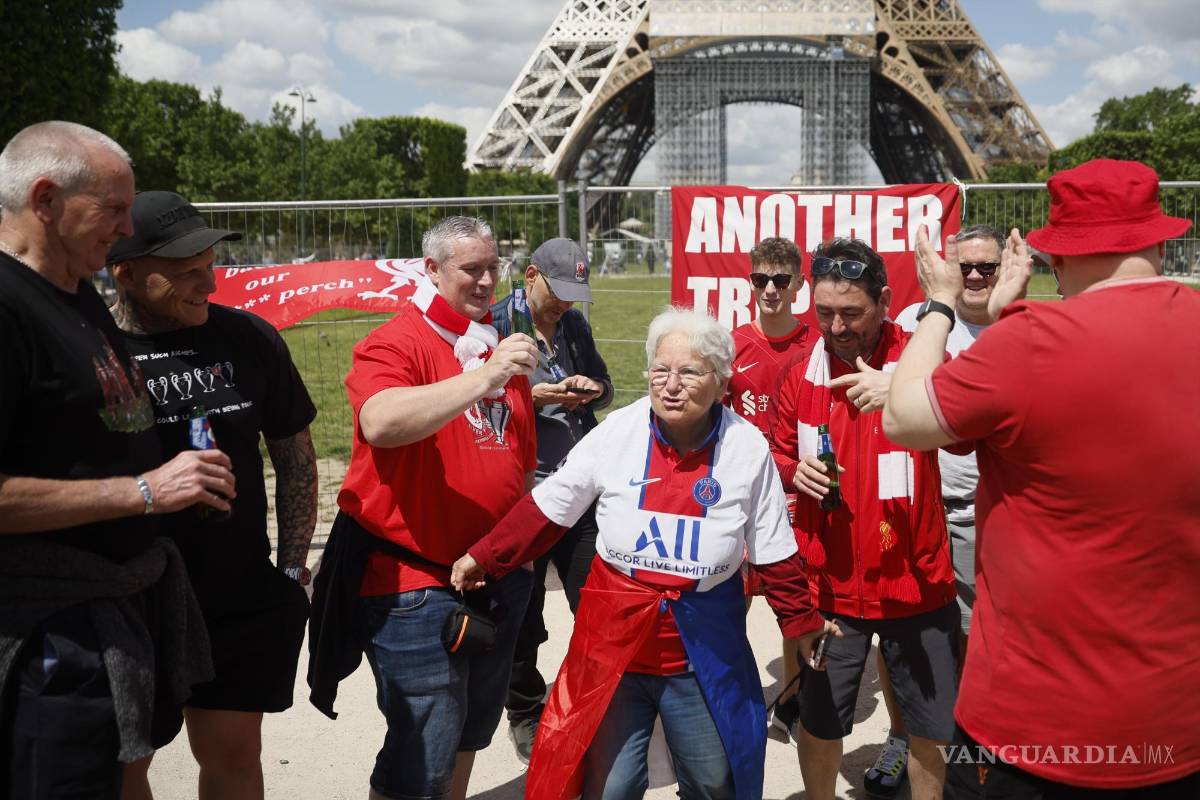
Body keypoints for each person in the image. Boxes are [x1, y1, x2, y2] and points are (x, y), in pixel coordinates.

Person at [886, 159, 1200, 797]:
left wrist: (941, 302)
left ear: (1056, 256)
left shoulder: (1027, 343)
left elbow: (903, 415)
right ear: (1160, 241)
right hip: (1177, 721)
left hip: (1030, 727)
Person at [453, 306, 838, 800]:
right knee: (611, 787)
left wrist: (801, 623)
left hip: (701, 654)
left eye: (689, 372)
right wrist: (484, 556)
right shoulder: (617, 433)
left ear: (722, 383)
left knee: (715, 781)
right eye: (661, 370)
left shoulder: (747, 447)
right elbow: (550, 507)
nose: (671, 384)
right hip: (616, 648)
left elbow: (773, 549)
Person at [0, 121, 234, 797]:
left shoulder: (74, 293)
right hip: (42, 636)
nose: (128, 226)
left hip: (99, 624)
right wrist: (142, 492)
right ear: (45, 200)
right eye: (114, 208)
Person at [307, 216, 539, 800]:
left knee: (467, 735)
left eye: (494, 267)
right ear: (431, 271)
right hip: (414, 580)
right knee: (423, 751)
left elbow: (517, 460)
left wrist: (520, 555)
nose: (487, 281)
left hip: (493, 574)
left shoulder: (496, 346)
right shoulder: (398, 341)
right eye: (471, 269)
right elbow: (380, 422)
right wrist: (487, 376)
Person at [106, 191, 318, 800]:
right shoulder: (94, 352)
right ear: (125, 269)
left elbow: (295, 456)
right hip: (134, 597)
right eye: (185, 271)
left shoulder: (249, 338)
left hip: (238, 592)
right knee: (122, 770)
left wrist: (292, 566)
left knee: (232, 760)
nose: (208, 283)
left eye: (210, 264)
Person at [770, 238, 961, 800]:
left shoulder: (921, 360)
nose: (836, 327)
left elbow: (970, 432)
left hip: (916, 582)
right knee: (820, 721)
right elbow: (775, 449)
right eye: (824, 312)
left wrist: (905, 391)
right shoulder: (798, 371)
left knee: (930, 729)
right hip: (830, 587)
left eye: (851, 313)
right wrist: (791, 470)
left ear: (884, 300)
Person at [849, 224, 1003, 798]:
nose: (974, 277)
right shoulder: (915, 322)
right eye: (964, 266)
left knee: (981, 642)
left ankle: (971, 751)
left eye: (986, 267)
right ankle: (903, 735)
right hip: (919, 507)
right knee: (906, 637)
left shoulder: (1021, 329)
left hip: (995, 508)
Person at [490, 238, 613, 762]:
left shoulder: (574, 328)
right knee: (524, 607)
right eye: (559, 291)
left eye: (574, 294)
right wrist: (532, 394)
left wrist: (591, 389)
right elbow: (476, 393)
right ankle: (525, 709)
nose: (564, 303)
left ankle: (592, 701)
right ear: (531, 275)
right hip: (522, 492)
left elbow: (608, 388)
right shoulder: (495, 323)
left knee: (596, 600)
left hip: (578, 485)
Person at [724, 236, 816, 740]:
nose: (771, 290)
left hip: (797, 498)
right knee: (731, 602)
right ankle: (733, 696)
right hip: (741, 498)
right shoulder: (731, 344)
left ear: (800, 284)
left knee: (796, 603)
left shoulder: (817, 346)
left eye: (782, 280)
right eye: (762, 279)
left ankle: (793, 698)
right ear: (750, 282)